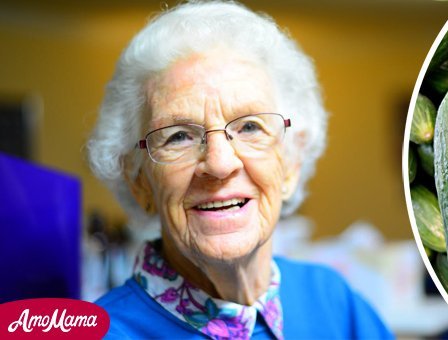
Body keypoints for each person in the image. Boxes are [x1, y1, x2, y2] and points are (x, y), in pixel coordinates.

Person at [87, 1, 393, 339]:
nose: (220, 163)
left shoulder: (332, 300)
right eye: (179, 136)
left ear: (291, 162)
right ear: (139, 180)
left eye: (249, 127)